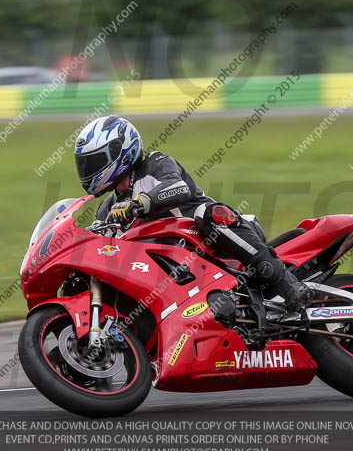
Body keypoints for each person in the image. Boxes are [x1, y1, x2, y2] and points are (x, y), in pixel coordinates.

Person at [74, 115, 310, 313]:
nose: (88, 170)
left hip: (215, 242)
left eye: (94, 161)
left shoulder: (155, 163)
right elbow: (100, 245)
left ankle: (288, 286)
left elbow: (179, 188)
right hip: (171, 272)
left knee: (207, 214)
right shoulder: (107, 207)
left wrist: (139, 204)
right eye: (85, 163)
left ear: (120, 150)